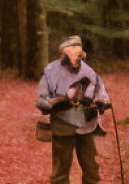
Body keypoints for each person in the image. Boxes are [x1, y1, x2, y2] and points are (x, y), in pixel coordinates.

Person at [36, 35, 110, 184]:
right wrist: (53, 103)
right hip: (62, 125)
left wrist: (102, 101)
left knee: (91, 170)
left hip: (86, 126)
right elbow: (42, 98)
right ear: (63, 54)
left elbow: (101, 92)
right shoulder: (51, 71)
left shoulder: (89, 71)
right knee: (60, 173)